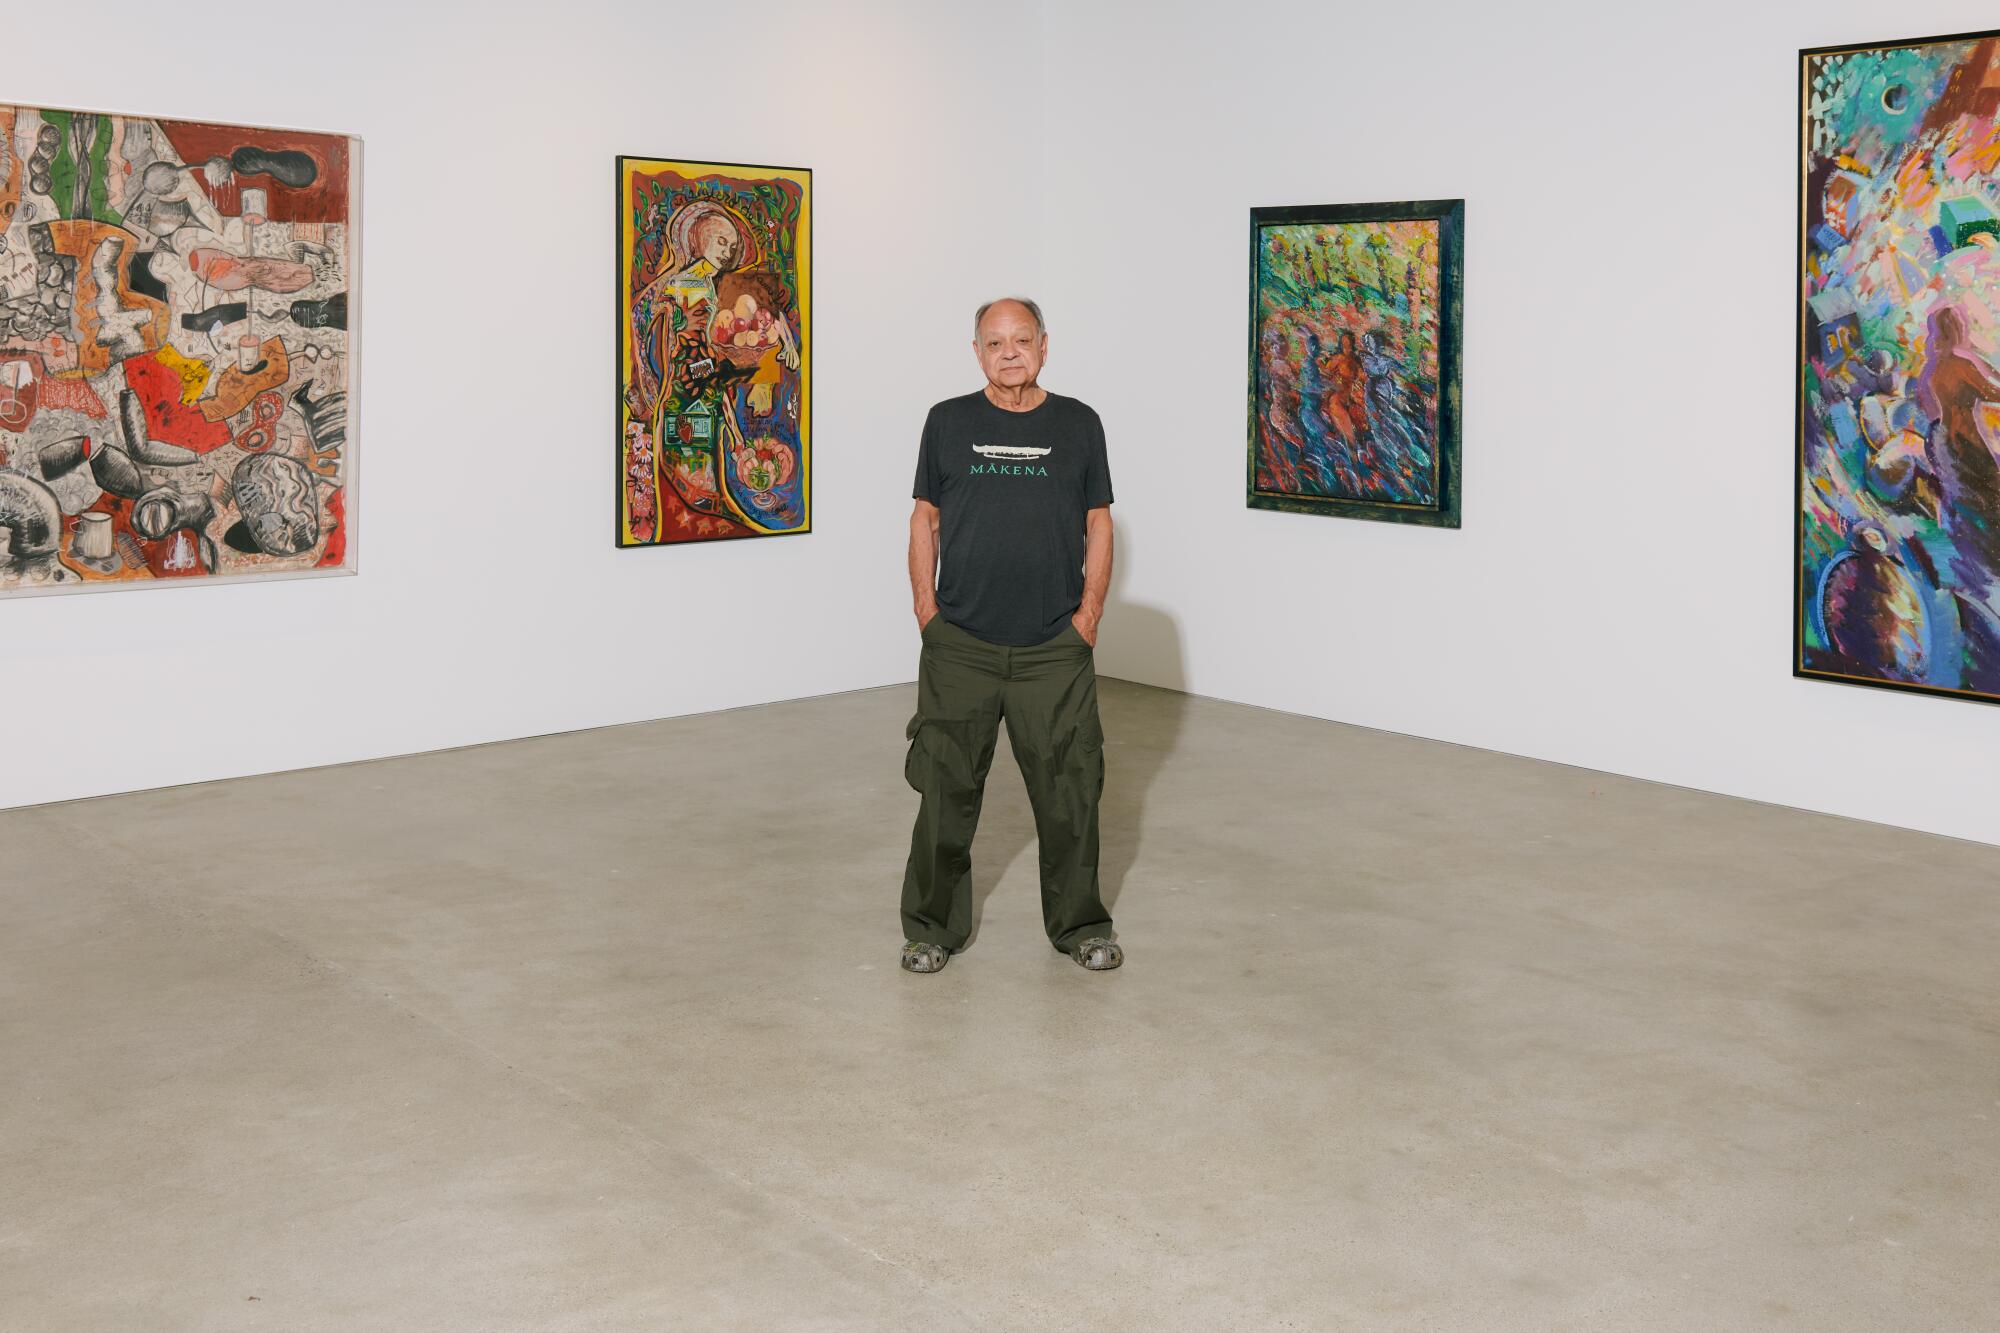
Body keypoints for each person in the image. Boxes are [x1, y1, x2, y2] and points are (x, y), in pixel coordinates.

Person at [899, 297, 1120, 975]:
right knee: (945, 794)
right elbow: (924, 519)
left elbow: (1100, 522)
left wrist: (1088, 617)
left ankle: (1080, 925)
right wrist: (926, 614)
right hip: (960, 642)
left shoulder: (1079, 423)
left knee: (1071, 793)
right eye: (994, 342)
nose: (1009, 352)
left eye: (1021, 339)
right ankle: (931, 927)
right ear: (976, 352)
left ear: (1044, 346)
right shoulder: (948, 421)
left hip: (1053, 647)